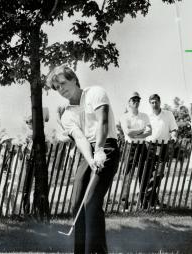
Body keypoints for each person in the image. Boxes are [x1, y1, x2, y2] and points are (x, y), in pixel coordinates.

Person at [47, 65, 119, 254]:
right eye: (56, 87)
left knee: (91, 202)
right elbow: (80, 139)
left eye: (63, 83)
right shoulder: (67, 114)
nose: (61, 89)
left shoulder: (95, 92)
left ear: (73, 79)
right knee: (77, 202)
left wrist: (100, 151)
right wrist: (91, 157)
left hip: (107, 147)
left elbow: (102, 121)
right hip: (88, 153)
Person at [145, 94, 178, 208]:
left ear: (160, 101)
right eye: (152, 102)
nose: (154, 104)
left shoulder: (168, 114)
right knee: (149, 174)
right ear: (150, 103)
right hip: (150, 146)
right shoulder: (147, 116)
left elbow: (173, 129)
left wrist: (173, 137)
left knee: (160, 173)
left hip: (163, 146)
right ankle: (153, 201)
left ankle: (146, 194)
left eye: (156, 102)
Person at [120, 92, 151, 208]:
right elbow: (128, 132)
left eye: (138, 100)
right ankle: (124, 204)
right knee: (127, 175)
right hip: (130, 147)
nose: (136, 102)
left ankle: (143, 203)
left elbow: (150, 131)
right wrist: (142, 130)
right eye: (133, 100)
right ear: (129, 103)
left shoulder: (144, 116)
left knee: (143, 175)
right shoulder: (124, 117)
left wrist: (136, 134)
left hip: (143, 146)